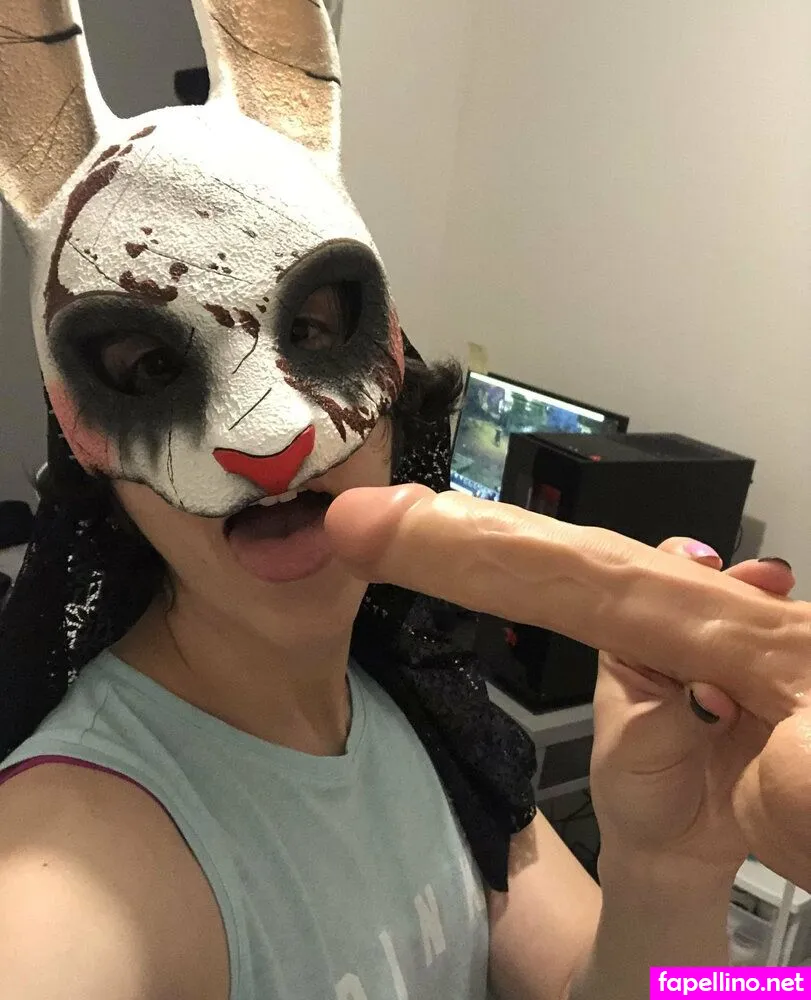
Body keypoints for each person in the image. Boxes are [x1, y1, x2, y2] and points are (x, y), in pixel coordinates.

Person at [0, 3, 807, 1000]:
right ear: (80, 435)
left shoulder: (415, 706)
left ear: (391, 352)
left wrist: (668, 871)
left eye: (315, 326)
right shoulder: (71, 860)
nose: (273, 439)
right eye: (150, 367)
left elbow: (657, 988)